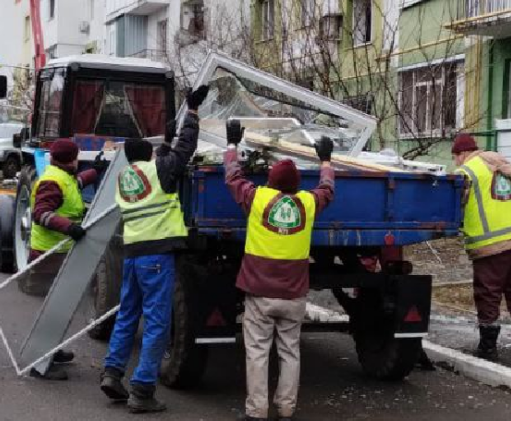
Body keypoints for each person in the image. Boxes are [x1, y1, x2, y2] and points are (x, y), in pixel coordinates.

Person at [100, 85, 208, 412]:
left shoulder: (125, 177)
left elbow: (164, 159)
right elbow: (185, 150)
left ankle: (112, 372)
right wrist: (191, 111)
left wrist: (165, 142)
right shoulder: (157, 170)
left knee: (128, 315)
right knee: (158, 322)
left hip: (133, 255)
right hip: (156, 257)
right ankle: (143, 390)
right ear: (148, 156)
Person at [225, 120, 335, 421]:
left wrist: (233, 144)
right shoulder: (308, 204)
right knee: (290, 352)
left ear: (271, 181)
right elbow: (327, 188)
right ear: (297, 184)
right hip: (294, 294)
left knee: (257, 354)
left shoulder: (258, 199)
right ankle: (287, 409)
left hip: (259, 294)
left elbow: (233, 178)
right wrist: (325, 160)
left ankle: (257, 411)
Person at [451, 133, 511, 361]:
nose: (456, 162)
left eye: (455, 157)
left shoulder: (467, 172)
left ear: (462, 154)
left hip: (489, 245)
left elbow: (454, 205)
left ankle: (488, 348)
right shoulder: (505, 166)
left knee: (488, 293)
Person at [27, 138, 100, 380]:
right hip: (49, 253)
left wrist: (94, 171)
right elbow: (41, 214)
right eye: (77, 156)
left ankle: (52, 351)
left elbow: (74, 185)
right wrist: (69, 228)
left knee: (58, 307)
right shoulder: (52, 180)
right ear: (71, 158)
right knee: (52, 310)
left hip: (58, 250)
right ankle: (41, 364)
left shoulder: (61, 175)